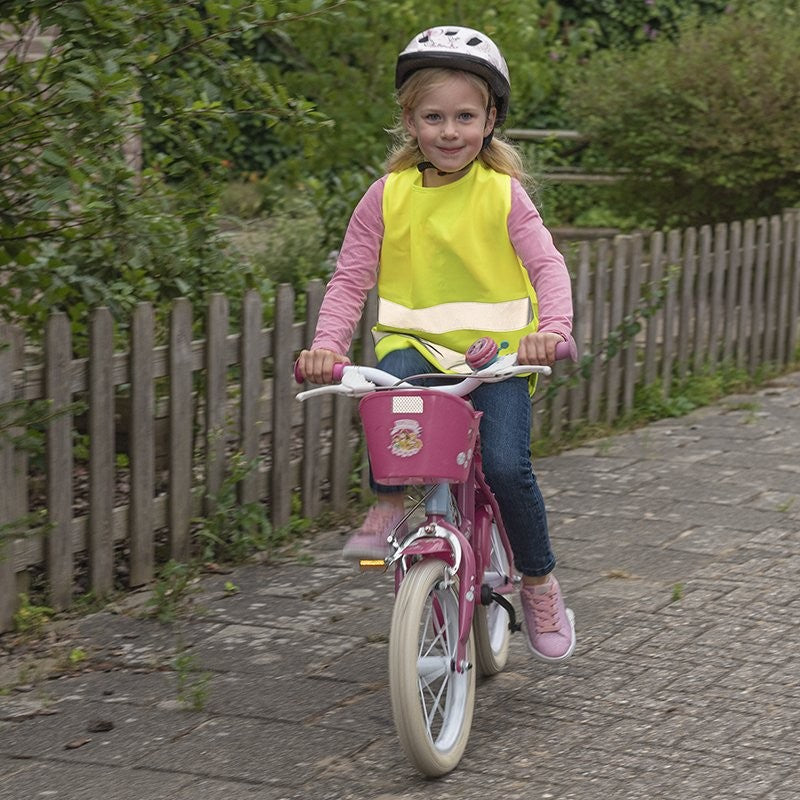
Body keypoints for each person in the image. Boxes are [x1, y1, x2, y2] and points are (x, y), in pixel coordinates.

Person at [296, 26, 575, 663]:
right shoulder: (387, 197)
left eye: (465, 117)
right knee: (393, 428)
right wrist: (325, 346)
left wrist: (552, 331)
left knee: (506, 467)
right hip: (414, 348)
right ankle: (394, 508)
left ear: (490, 119)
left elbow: (547, 267)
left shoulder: (502, 194)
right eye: (433, 117)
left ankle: (536, 579)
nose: (449, 132)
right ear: (410, 122)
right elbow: (350, 278)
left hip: (498, 356)